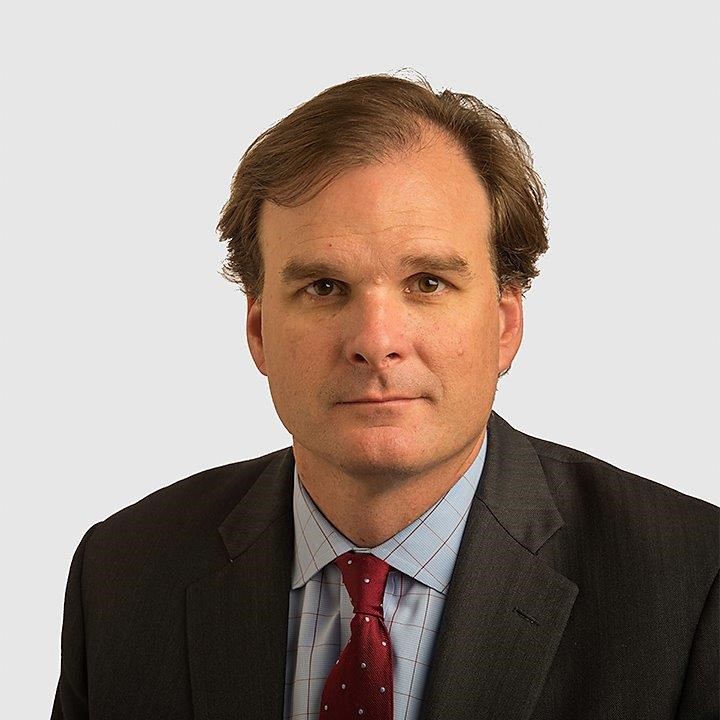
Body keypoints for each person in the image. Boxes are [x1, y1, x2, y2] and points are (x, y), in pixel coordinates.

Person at [51, 74, 718, 720]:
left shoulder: (692, 582)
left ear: (504, 324)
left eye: (427, 282)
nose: (375, 342)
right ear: (258, 332)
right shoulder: (123, 574)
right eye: (323, 287)